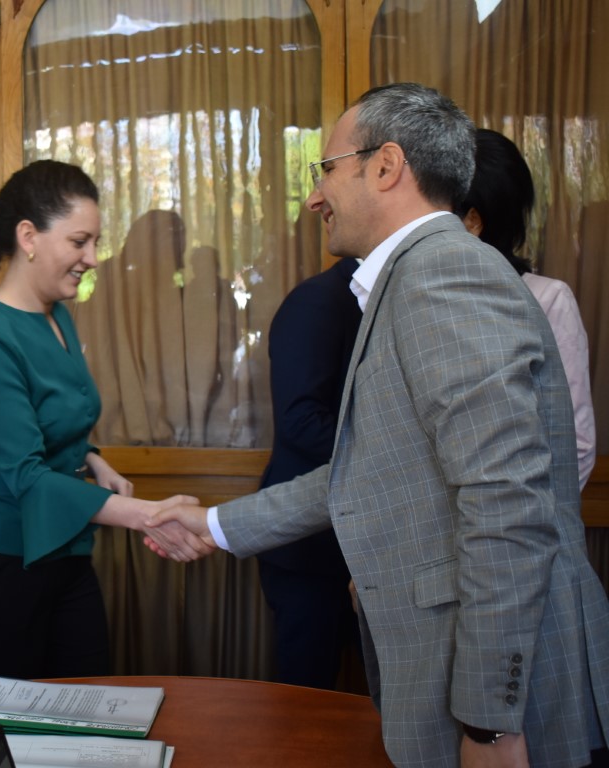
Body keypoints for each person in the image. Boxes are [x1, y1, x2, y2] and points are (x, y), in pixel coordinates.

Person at [146, 84, 609, 768]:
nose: (314, 197)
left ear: (386, 166)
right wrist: (214, 525)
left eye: (325, 170)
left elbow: (506, 507)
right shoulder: (412, 278)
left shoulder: (446, 276)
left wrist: (489, 724)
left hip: (507, 701)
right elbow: (371, 468)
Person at [0, 160, 201, 687]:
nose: (94, 259)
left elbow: (57, 420)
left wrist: (93, 458)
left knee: (85, 711)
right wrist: (148, 515)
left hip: (66, 554)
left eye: (96, 242)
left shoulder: (56, 314)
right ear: (28, 237)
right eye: (80, 242)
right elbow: (27, 476)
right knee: (15, 730)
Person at [459, 128, 596, 488]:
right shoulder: (414, 297)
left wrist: (522, 516)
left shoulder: (548, 300)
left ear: (473, 220)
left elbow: (575, 445)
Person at [255, 256, 362, 690]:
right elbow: (300, 421)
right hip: (311, 547)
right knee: (306, 698)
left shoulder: (394, 298)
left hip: (370, 541)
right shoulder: (318, 300)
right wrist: (392, 460)